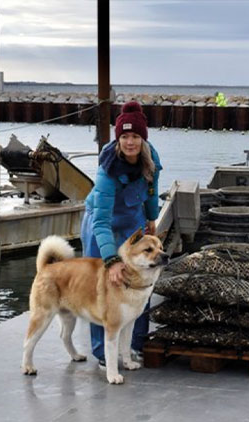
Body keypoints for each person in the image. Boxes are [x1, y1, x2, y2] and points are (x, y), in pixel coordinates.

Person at [80, 100, 162, 367]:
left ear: (143, 138)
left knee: (142, 276)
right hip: (100, 220)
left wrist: (151, 217)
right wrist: (112, 260)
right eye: (125, 136)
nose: (130, 142)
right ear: (118, 139)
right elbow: (101, 222)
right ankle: (103, 352)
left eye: (135, 136)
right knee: (101, 282)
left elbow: (151, 190)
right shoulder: (108, 169)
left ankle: (136, 344)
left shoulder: (151, 158)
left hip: (132, 218)